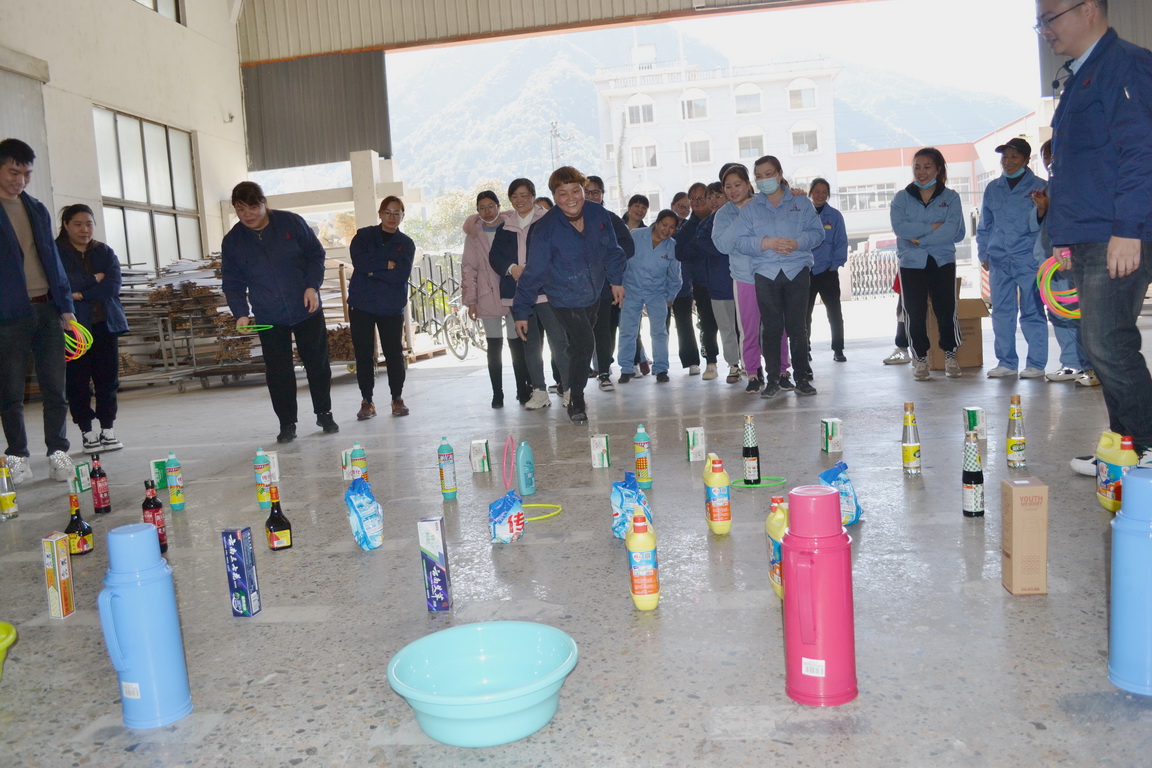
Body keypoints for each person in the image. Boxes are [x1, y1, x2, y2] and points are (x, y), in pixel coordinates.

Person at [1036, 0, 1152, 472]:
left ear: (1087, 9)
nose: (1044, 30)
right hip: (1087, 235)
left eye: (1049, 18)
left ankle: (1147, 451)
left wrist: (1128, 230)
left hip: (1114, 234)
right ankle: (1124, 451)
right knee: (1100, 345)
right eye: (1039, 22)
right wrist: (1063, 238)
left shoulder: (1124, 64)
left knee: (1108, 342)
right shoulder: (1080, 75)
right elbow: (1074, 168)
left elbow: (1141, 152)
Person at [222, 181, 338, 443]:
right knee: (278, 372)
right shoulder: (233, 241)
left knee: (317, 364)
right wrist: (240, 313)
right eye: (240, 209)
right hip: (269, 315)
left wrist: (312, 286)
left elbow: (315, 255)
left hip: (306, 307)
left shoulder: (291, 223)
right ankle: (287, 423)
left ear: (264, 203)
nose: (247, 214)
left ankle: (324, 412)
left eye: (252, 207)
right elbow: (232, 281)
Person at [513, 166, 625, 425]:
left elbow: (612, 250)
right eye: (563, 194)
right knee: (585, 343)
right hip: (562, 296)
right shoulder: (546, 228)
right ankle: (575, 398)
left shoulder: (598, 214)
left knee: (578, 346)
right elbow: (533, 273)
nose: (571, 198)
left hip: (593, 293)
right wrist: (521, 311)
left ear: (583, 191)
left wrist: (617, 280)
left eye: (576, 191)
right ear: (554, 196)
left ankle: (569, 381)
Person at [0, 138, 75, 484]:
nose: (21, 180)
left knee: (55, 388)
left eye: (27, 174)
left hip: (46, 310)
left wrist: (66, 307)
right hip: (8, 315)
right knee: (10, 391)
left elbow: (53, 260)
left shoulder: (37, 209)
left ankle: (58, 452)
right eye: (14, 172)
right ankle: (17, 456)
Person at [731, 155, 825, 399]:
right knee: (771, 328)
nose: (764, 180)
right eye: (759, 176)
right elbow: (740, 242)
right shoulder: (751, 208)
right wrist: (766, 243)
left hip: (797, 270)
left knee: (798, 328)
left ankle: (802, 378)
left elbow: (817, 233)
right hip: (766, 273)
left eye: (768, 174)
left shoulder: (801, 202)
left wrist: (797, 243)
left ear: (780, 174)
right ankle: (772, 380)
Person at [889, 147, 966, 381]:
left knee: (946, 309)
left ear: (938, 169)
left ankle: (950, 355)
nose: (921, 172)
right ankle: (920, 358)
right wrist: (932, 227)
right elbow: (900, 228)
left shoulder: (950, 197)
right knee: (914, 311)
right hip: (911, 262)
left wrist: (920, 239)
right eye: (917, 167)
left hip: (942, 260)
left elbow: (951, 230)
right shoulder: (901, 197)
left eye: (927, 167)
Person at [56, 204, 128, 453]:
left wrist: (79, 294)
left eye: (89, 224)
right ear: (66, 225)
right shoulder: (56, 252)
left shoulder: (104, 251)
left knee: (107, 380)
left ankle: (108, 428)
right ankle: (87, 431)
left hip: (104, 325)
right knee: (77, 382)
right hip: (73, 329)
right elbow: (61, 285)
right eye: (78, 224)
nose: (84, 229)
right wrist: (92, 280)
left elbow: (112, 287)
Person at [977, 137, 1048, 379]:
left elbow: (1045, 224)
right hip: (999, 259)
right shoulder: (992, 188)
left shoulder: (1040, 187)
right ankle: (1006, 362)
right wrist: (983, 252)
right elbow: (985, 224)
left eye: (1014, 156)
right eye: (1004, 157)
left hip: (1028, 259)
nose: (1008, 161)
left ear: (1026, 159)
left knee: (1032, 310)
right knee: (1002, 312)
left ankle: (1036, 363)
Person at [347, 195, 416, 420]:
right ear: (380, 213)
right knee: (364, 354)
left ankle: (397, 398)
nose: (392, 217)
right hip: (361, 304)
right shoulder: (364, 236)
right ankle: (367, 401)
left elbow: (400, 275)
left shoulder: (406, 243)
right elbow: (360, 263)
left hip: (391, 306)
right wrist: (386, 264)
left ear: (403, 216)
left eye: (397, 213)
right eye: (388, 212)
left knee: (394, 353)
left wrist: (372, 271)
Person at [1032, 139, 1094, 385]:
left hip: (1074, 260)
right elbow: (1034, 225)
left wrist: (1052, 206)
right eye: (1046, 157)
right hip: (1050, 261)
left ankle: (1090, 366)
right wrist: (1042, 208)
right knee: (1057, 314)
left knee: (1081, 314)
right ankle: (1071, 363)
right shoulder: (1046, 188)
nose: (1050, 162)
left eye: (1054, 156)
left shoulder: (1080, 183)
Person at [489, 179, 554, 409]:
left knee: (558, 341)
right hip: (518, 293)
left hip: (548, 292)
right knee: (530, 344)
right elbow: (495, 257)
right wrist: (511, 268)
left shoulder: (548, 221)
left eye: (524, 195)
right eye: (514, 196)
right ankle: (539, 391)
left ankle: (568, 390)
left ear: (533, 196)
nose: (519, 200)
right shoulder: (504, 227)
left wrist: (536, 270)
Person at [462, 191, 520, 409]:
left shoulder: (512, 227)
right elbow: (469, 269)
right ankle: (497, 393)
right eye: (482, 207)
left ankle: (523, 390)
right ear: (477, 210)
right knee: (494, 346)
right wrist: (471, 301)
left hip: (512, 292)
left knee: (517, 344)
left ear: (498, 206)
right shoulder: (473, 235)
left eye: (490, 206)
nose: (487, 211)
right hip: (486, 296)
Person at [618, 210, 682, 385]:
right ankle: (626, 369)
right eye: (664, 225)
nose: (666, 230)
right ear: (656, 223)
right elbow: (621, 260)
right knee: (627, 331)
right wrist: (618, 285)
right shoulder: (635, 235)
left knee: (659, 332)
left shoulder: (672, 246)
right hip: (631, 290)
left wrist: (670, 296)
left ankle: (661, 369)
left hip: (657, 293)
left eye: (671, 227)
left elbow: (675, 275)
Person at [584, 175, 635, 392]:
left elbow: (627, 247)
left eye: (595, 192)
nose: (591, 196)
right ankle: (572, 378)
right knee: (577, 333)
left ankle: (604, 372)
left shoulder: (611, 219)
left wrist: (607, 263)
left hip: (604, 286)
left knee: (603, 330)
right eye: (586, 192)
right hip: (575, 288)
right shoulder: (568, 218)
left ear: (602, 194)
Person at [695, 181, 741, 382]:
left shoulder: (742, 214)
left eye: (718, 196)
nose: (714, 201)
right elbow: (706, 244)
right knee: (727, 329)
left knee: (747, 328)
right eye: (710, 197)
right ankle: (733, 365)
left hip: (743, 281)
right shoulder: (706, 224)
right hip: (718, 285)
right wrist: (726, 246)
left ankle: (752, 365)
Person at [806, 178, 848, 363]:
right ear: (811, 193)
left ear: (828, 194)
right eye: (817, 191)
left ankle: (838, 349)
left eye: (824, 192)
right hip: (806, 272)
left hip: (828, 272)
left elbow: (841, 242)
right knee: (804, 315)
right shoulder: (804, 214)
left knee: (834, 313)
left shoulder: (835, 216)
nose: (820, 195)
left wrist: (834, 266)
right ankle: (804, 349)